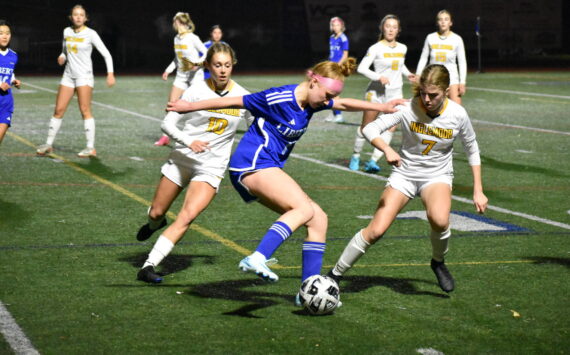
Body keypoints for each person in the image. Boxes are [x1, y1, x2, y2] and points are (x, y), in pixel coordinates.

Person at [167, 58, 403, 301]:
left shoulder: (313, 102)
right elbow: (233, 101)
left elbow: (342, 103)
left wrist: (383, 109)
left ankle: (306, 291)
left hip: (267, 166)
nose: (327, 101)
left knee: (318, 219)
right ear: (313, 82)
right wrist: (189, 107)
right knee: (301, 208)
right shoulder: (278, 98)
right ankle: (257, 257)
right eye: (326, 95)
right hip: (250, 163)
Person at [329, 64, 488, 294]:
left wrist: (478, 189)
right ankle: (334, 275)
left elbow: (472, 148)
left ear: (445, 90)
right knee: (376, 230)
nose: (427, 99)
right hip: (404, 174)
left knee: (440, 220)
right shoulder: (407, 107)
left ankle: (438, 261)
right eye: (423, 92)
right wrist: (387, 149)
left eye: (433, 95)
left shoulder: (457, 114)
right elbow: (370, 129)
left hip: (437, 175)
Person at [137, 43, 253, 283]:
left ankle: (148, 266)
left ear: (233, 66)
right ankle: (154, 223)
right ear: (209, 66)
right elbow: (167, 124)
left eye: (227, 65)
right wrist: (189, 141)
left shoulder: (243, 96)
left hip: (212, 166)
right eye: (218, 65)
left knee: (187, 216)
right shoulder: (195, 90)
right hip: (183, 158)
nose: (223, 70)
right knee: (157, 211)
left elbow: (255, 128)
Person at [36, 5, 115, 157]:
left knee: (85, 110)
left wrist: (110, 74)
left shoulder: (91, 34)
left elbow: (107, 54)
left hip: (84, 77)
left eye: (81, 15)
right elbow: (65, 51)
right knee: (58, 110)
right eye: (75, 15)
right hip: (68, 76)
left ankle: (90, 147)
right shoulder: (66, 31)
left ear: (86, 18)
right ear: (71, 17)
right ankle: (48, 144)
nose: (78, 17)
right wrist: (62, 57)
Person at [349, 14, 416, 173]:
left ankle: (373, 161)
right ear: (382, 28)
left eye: (394, 27)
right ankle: (356, 156)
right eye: (388, 26)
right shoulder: (375, 48)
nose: (391, 29)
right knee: (366, 127)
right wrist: (379, 77)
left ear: (398, 30)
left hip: (395, 93)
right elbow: (361, 68)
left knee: (391, 128)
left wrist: (408, 74)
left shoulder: (402, 48)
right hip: (376, 94)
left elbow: (399, 65)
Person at [154, 12, 208, 146]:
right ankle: (165, 136)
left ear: (183, 23)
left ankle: (203, 134)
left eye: (179, 22)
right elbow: (176, 58)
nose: (177, 24)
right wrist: (168, 70)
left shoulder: (192, 38)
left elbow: (206, 53)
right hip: (181, 76)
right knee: (171, 105)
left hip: (196, 77)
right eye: (177, 22)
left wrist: (197, 64)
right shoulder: (176, 39)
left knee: (199, 108)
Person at [416, 10, 467, 104]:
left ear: (451, 22)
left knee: (457, 110)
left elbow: (462, 62)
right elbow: (423, 58)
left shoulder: (457, 39)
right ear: (437, 22)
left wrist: (462, 82)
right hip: (433, 79)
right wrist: (418, 74)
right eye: (440, 19)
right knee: (431, 109)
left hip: (452, 78)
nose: (443, 22)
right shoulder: (430, 37)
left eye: (446, 19)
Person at [324, 16, 348, 123]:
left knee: (334, 91)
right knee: (328, 91)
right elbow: (332, 53)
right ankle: (334, 113)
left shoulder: (343, 38)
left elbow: (345, 55)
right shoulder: (332, 38)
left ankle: (339, 115)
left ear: (342, 26)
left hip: (338, 68)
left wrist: (337, 66)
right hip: (331, 68)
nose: (335, 27)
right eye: (333, 25)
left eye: (338, 25)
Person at [0, 20, 20, 145]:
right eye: (1, 33)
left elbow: (9, 73)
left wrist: (13, 80)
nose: (5, 36)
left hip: (6, 103)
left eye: (7, 33)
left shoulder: (13, 55)